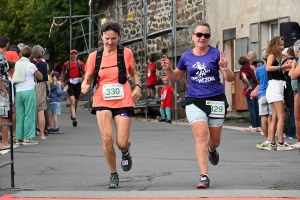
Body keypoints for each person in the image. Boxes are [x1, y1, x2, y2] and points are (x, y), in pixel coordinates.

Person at [161, 22, 234, 188]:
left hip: (216, 99)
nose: (202, 38)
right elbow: (175, 78)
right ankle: (204, 176)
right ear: (192, 36)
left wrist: (226, 67)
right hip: (194, 100)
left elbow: (229, 78)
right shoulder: (186, 56)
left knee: (214, 141)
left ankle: (212, 150)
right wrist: (168, 69)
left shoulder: (216, 54)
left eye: (206, 35)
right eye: (199, 35)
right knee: (201, 135)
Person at [81, 21, 141, 189]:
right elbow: (88, 77)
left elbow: (134, 73)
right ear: (102, 37)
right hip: (102, 100)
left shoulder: (126, 53)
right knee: (107, 139)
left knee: (121, 142)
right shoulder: (95, 56)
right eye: (107, 38)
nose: (110, 42)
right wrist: (84, 86)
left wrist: (138, 86)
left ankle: (125, 151)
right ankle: (113, 174)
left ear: (119, 37)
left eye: (113, 38)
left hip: (123, 100)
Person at [265, 36, 293, 151]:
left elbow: (277, 70)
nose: (282, 47)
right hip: (275, 87)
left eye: (283, 45)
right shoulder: (271, 56)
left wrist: (284, 69)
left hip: (277, 86)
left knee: (275, 117)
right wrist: (281, 67)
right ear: (274, 45)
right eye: (280, 45)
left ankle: (272, 143)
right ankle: (280, 143)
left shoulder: (277, 57)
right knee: (282, 116)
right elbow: (268, 68)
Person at [13, 46, 43, 145]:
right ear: (31, 55)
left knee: (20, 114)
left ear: (21, 53)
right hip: (29, 90)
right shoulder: (30, 65)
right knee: (29, 114)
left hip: (18, 91)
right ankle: (27, 138)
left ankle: (19, 138)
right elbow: (39, 76)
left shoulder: (17, 64)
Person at [61, 49, 85, 127]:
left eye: (75, 54)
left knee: (76, 102)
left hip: (78, 84)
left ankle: (73, 113)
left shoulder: (80, 64)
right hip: (70, 83)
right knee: (72, 101)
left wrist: (82, 78)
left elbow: (86, 73)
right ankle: (74, 118)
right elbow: (63, 72)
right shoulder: (66, 64)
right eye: (72, 54)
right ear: (70, 55)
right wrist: (62, 81)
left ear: (77, 55)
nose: (73, 55)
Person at [238, 56, 261, 132]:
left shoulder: (243, 68)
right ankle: (258, 126)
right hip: (256, 88)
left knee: (251, 108)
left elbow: (244, 77)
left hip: (250, 89)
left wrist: (249, 86)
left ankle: (253, 126)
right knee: (256, 107)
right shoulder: (251, 66)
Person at [31, 45, 49, 140]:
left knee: (30, 110)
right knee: (40, 110)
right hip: (41, 86)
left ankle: (31, 133)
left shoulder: (29, 63)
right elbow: (45, 78)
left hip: (30, 86)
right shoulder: (43, 64)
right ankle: (42, 134)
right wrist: (48, 88)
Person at [255, 50, 272, 150]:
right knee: (271, 117)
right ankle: (270, 138)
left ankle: (266, 138)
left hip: (262, 93)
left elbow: (258, 81)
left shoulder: (258, 69)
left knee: (263, 117)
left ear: (262, 58)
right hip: (271, 93)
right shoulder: (271, 68)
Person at [0, 36, 13, 151]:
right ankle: (4, 142)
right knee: (3, 116)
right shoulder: (0, 56)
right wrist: (3, 89)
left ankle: (3, 141)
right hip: (1, 90)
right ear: (6, 44)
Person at [289, 39, 300, 149]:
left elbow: (293, 75)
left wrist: (293, 66)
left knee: (297, 117)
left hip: (298, 92)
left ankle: (299, 140)